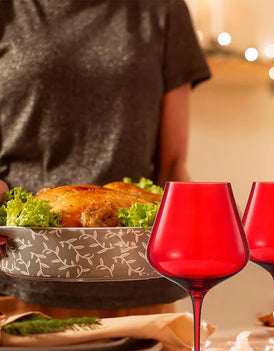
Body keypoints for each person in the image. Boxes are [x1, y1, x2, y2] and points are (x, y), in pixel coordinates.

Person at [0, 0, 211, 317]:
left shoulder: (163, 9)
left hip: (140, 283)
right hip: (20, 278)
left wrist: (198, 224)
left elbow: (173, 164)